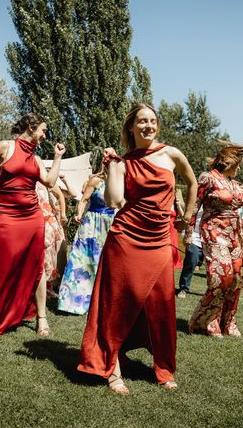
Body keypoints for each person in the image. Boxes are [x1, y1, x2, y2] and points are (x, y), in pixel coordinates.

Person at [78, 103, 197, 394]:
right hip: (126, 238)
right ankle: (112, 367)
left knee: (162, 305)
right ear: (131, 127)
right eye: (142, 121)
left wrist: (186, 219)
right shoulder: (122, 161)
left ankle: (164, 368)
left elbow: (192, 183)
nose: (148, 126)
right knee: (117, 304)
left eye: (152, 121)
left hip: (159, 240)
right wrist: (111, 167)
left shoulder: (171, 153)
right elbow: (114, 201)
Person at [0, 113, 65, 336]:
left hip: (32, 217)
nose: (44, 135)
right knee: (1, 267)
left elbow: (49, 182)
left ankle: (40, 318)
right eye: (43, 130)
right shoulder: (5, 147)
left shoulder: (37, 159)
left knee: (35, 267)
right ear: (31, 127)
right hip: (5, 216)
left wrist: (57, 158)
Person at [188, 143, 243, 337]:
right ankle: (204, 321)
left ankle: (227, 322)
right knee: (221, 278)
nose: (240, 168)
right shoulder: (208, 177)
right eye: (238, 164)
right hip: (213, 231)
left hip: (235, 233)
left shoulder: (235, 185)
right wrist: (188, 232)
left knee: (235, 280)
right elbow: (195, 204)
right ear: (229, 162)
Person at [57, 167, 115, 315]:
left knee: (105, 262)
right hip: (92, 223)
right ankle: (72, 302)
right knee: (82, 260)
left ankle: (100, 303)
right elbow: (83, 200)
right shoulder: (96, 181)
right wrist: (79, 214)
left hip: (109, 224)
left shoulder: (118, 183)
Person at [36, 180, 65, 298]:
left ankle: (48, 287)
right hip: (34, 220)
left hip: (48, 221)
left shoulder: (46, 182)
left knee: (49, 256)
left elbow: (61, 195)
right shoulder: (27, 181)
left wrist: (63, 214)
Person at [177, 203, 204, 298]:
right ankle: (183, 288)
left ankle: (213, 291)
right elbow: (187, 219)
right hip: (195, 238)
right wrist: (186, 235)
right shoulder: (196, 203)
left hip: (211, 239)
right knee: (191, 261)